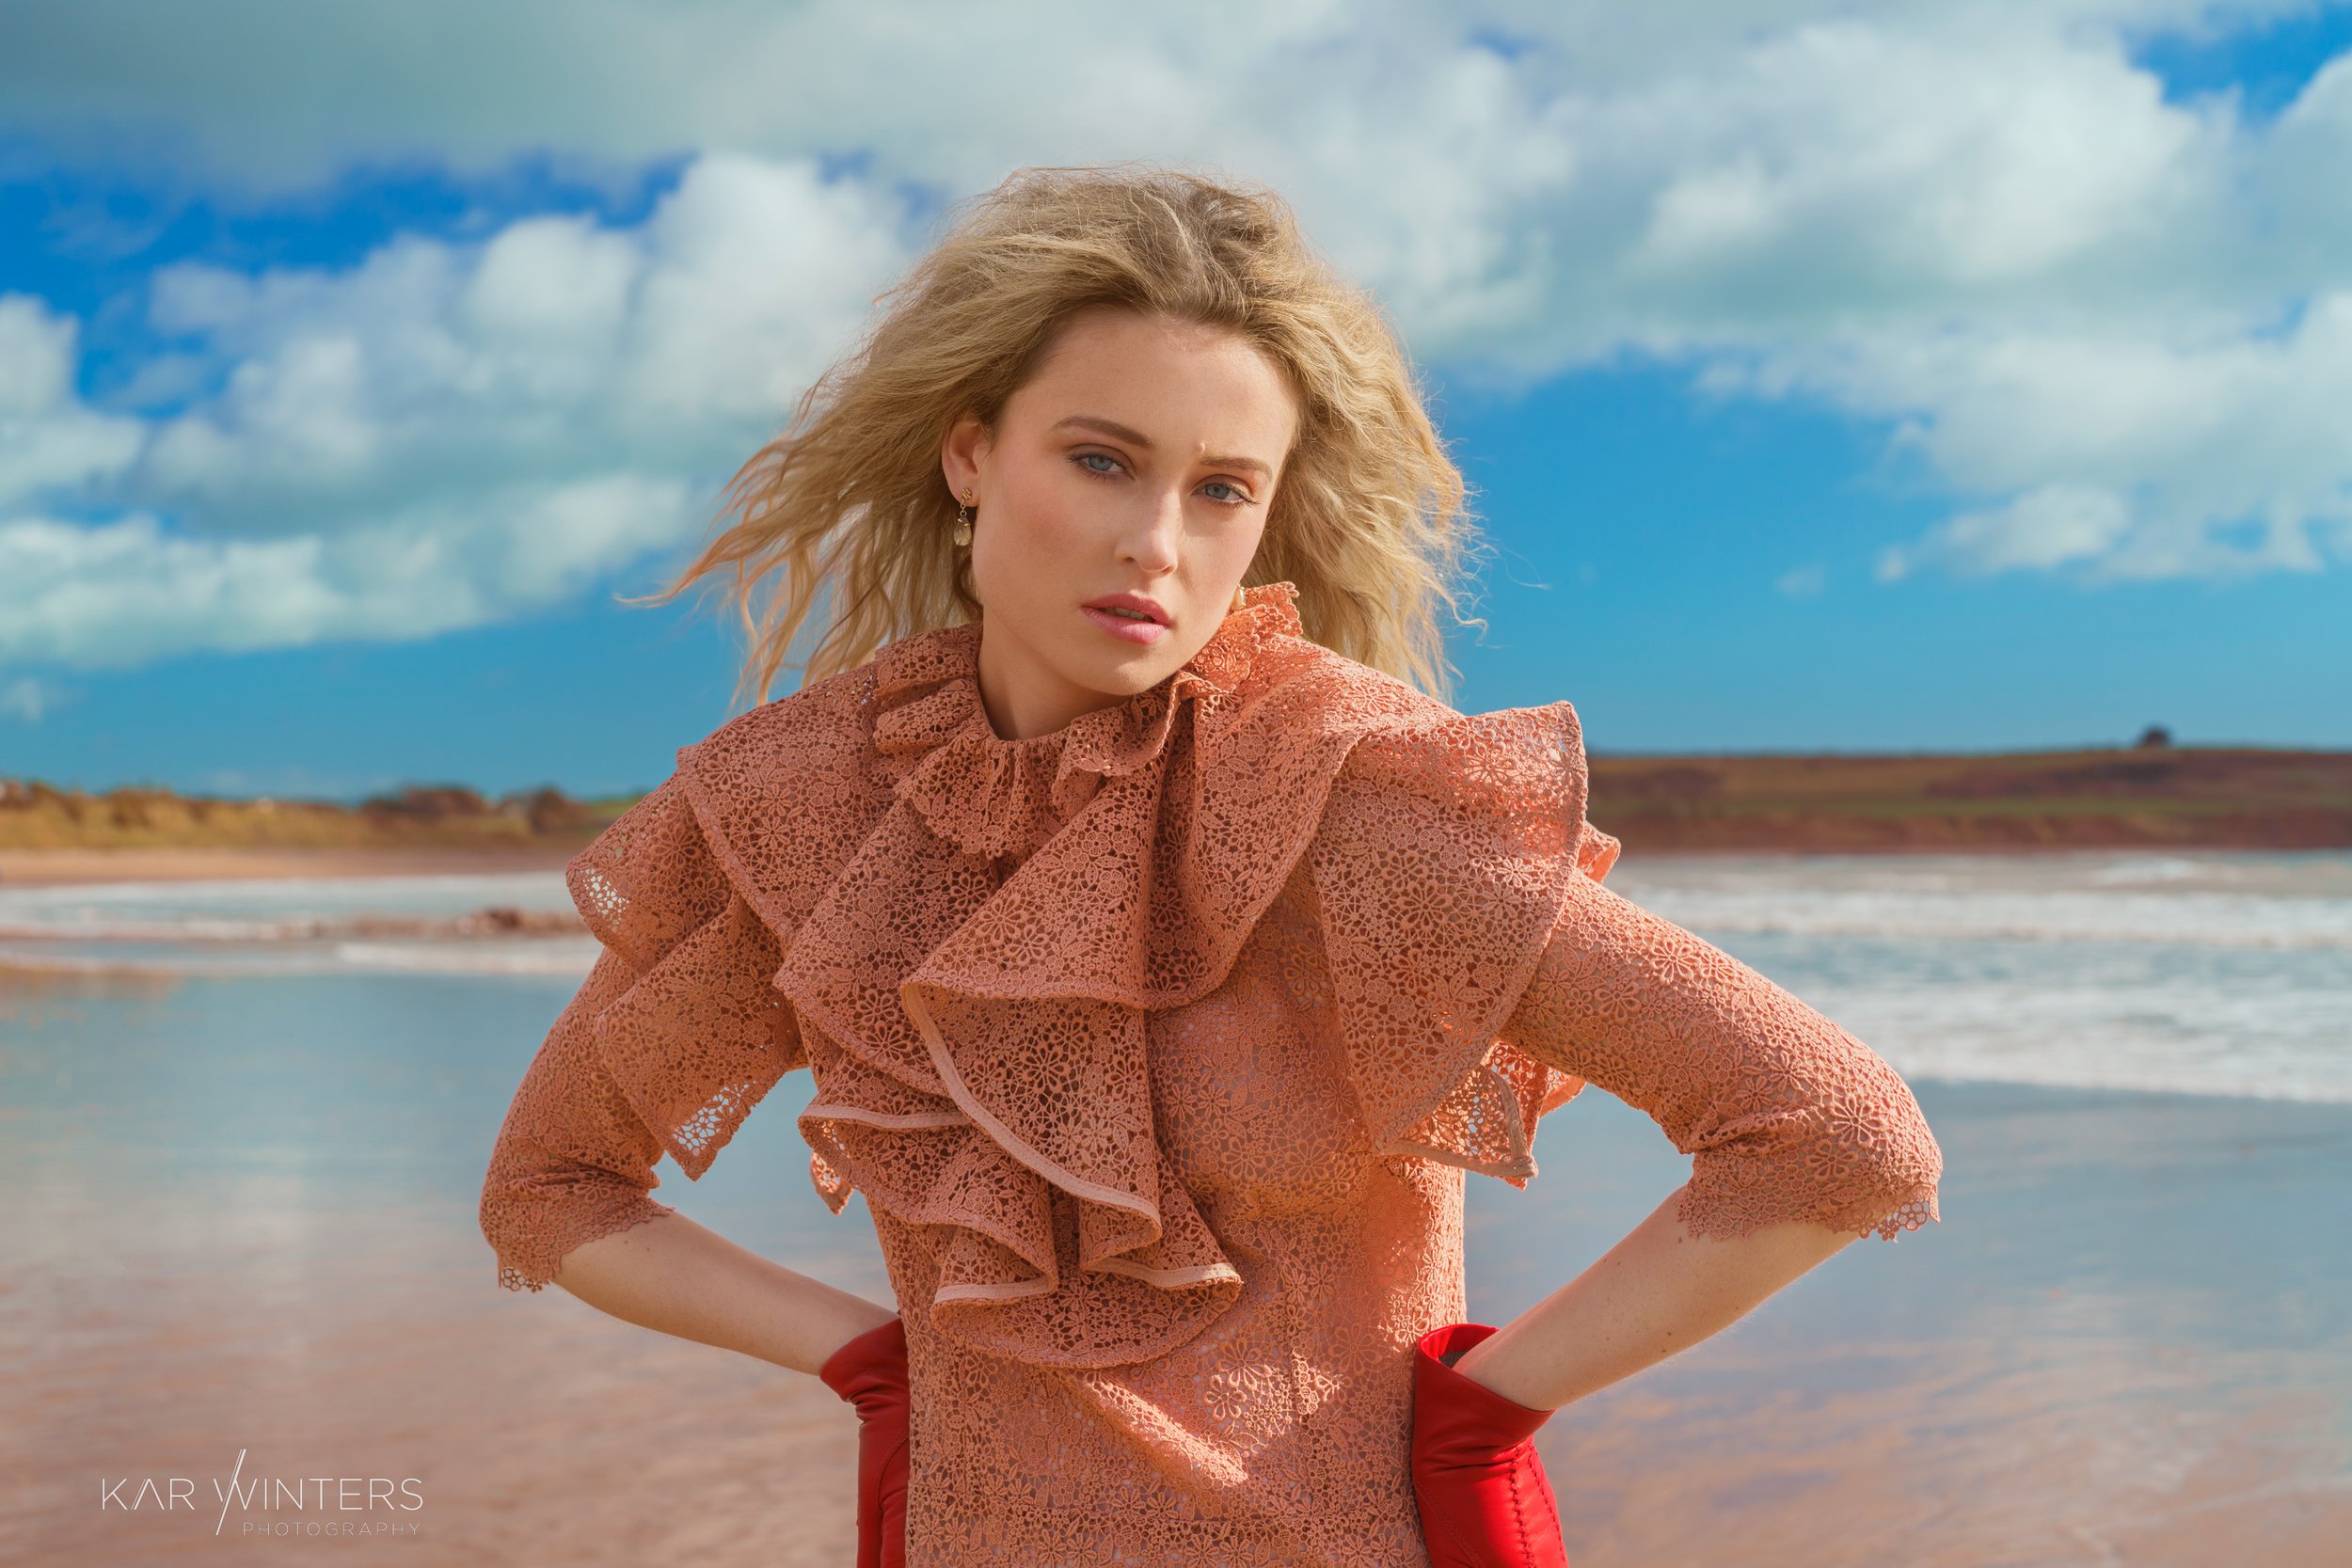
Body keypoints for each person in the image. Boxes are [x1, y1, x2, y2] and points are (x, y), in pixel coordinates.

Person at [477, 163, 1944, 1568]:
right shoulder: (810, 813)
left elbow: (1838, 1136)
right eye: (1101, 460)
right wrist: (868, 1363)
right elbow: (551, 1187)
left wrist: (1483, 1414)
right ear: (971, 452)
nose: (1155, 543)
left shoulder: (1349, 802)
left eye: (1222, 489)